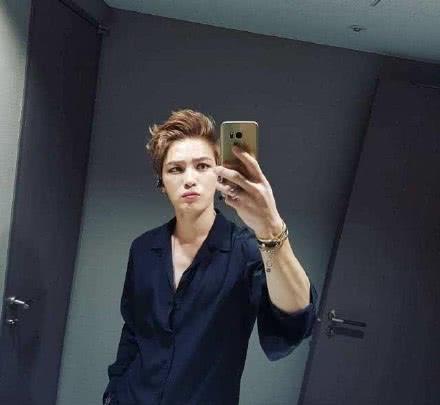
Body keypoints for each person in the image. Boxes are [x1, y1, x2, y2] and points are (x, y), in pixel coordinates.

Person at [102, 109, 318, 405]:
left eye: (202, 166)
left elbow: (294, 322)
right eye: (175, 169)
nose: (189, 179)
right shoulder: (143, 249)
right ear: (162, 182)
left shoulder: (246, 251)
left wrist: (270, 227)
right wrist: (114, 391)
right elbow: (133, 329)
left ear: (218, 174)